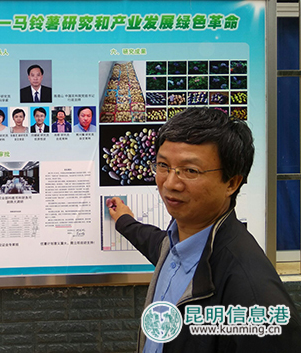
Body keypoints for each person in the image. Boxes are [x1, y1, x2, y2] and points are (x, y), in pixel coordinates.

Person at [106, 108, 301, 352]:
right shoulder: (178, 242)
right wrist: (124, 220)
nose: (170, 183)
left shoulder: (253, 296)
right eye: (163, 165)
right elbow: (155, 243)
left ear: (232, 183)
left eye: (190, 171)